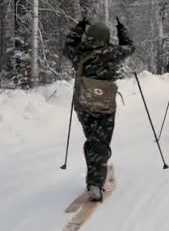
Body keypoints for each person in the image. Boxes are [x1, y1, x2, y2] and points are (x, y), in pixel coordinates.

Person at [63, 17, 135, 201]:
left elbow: (68, 44)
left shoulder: (79, 52)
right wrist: (122, 29)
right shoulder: (111, 52)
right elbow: (130, 47)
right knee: (101, 143)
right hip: (105, 106)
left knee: (93, 139)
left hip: (83, 104)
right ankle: (95, 182)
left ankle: (94, 177)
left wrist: (79, 26)